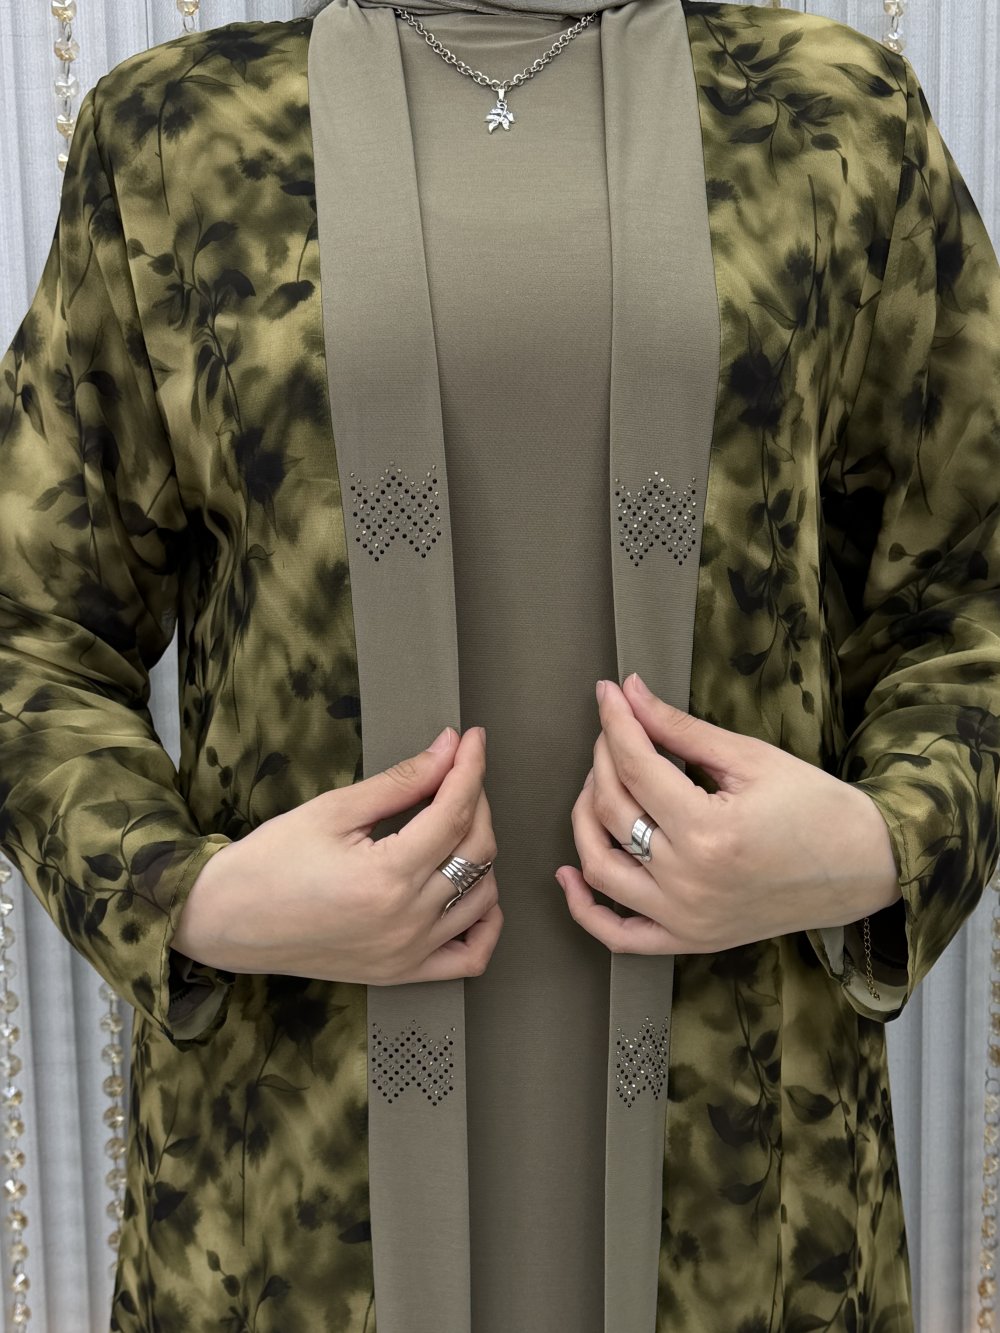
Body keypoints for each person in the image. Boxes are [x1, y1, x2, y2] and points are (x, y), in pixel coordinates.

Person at [0, 0, 997, 1327]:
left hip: (747, 1182)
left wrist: (877, 846)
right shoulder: (176, 136)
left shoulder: (834, 116)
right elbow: (31, 629)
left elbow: (970, 590)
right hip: (297, 1185)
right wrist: (198, 900)